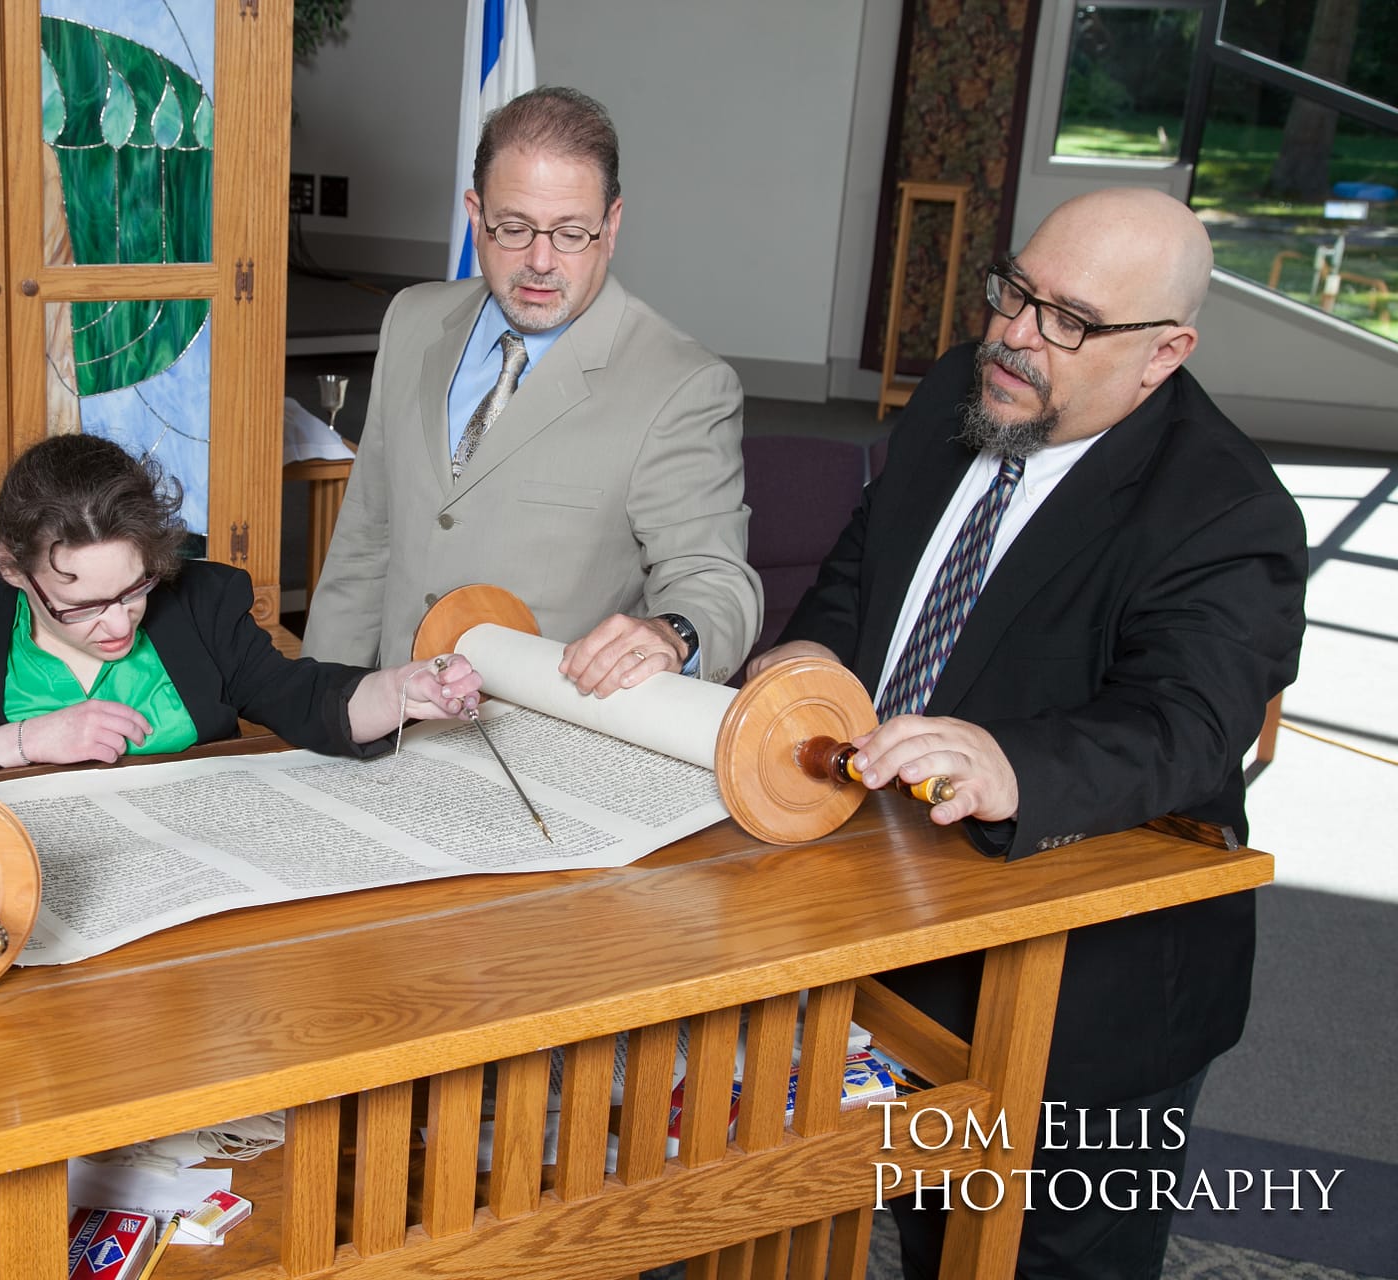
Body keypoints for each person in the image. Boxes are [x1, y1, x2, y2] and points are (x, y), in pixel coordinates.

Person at [749, 188, 1306, 1278]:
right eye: (1017, 290)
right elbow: (867, 573)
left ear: (1163, 354)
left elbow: (1188, 725)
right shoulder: (969, 386)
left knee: (1039, 1258)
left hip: (1091, 998)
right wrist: (810, 662)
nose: (1014, 334)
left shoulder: (1228, 510)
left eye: (1070, 320)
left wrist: (1015, 761)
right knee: (932, 1234)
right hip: (898, 923)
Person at [302, 86, 760, 694]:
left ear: (612, 224)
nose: (541, 261)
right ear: (475, 214)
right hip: (387, 728)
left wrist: (673, 632)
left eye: (571, 233)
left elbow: (714, 579)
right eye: (514, 228)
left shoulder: (683, 386)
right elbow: (365, 546)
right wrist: (316, 711)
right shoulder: (410, 320)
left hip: (539, 750)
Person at [0, 434, 482, 775]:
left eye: (135, 589)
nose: (118, 623)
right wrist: (26, 741)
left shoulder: (203, 602)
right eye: (80, 606)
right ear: (13, 568)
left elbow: (301, 697)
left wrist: (402, 690)